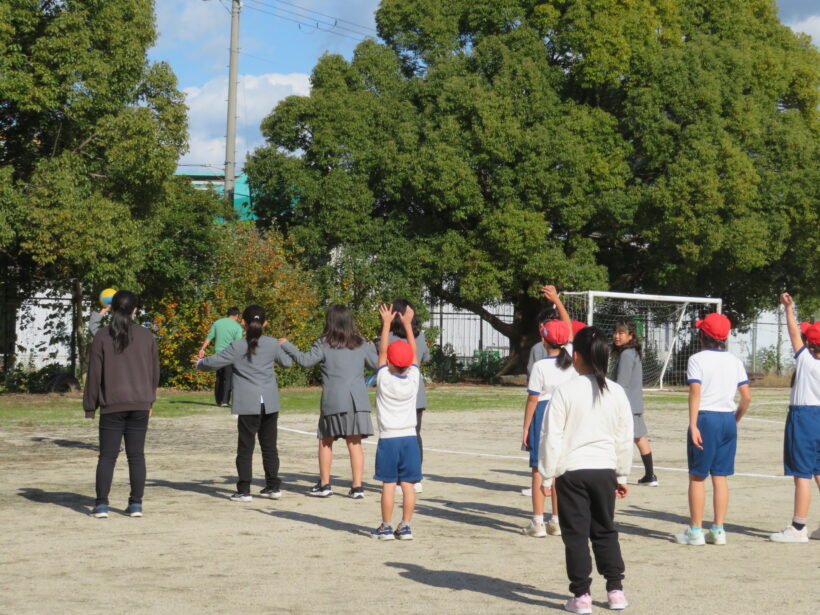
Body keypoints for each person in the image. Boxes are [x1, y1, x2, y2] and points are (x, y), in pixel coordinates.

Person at [538, 326, 633, 613]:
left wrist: (546, 473)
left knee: (576, 535)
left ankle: (581, 596)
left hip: (572, 473)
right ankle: (615, 590)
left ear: (576, 356)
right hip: (604, 470)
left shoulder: (565, 391)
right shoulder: (616, 392)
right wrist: (622, 474)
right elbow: (624, 436)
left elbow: (551, 435)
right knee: (605, 530)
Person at [279, 305, 378, 498]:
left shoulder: (323, 343)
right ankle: (357, 487)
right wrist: (373, 348)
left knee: (326, 441)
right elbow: (377, 365)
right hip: (357, 401)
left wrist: (287, 345)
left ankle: (325, 485)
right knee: (355, 443)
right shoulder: (361, 343)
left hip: (334, 400)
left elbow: (305, 361)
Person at [195, 305, 292, 502]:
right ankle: (273, 487)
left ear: (243, 323)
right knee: (269, 446)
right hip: (269, 402)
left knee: (246, 447)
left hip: (248, 402)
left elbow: (215, 361)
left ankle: (244, 490)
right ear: (265, 323)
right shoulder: (273, 344)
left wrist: (199, 364)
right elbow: (288, 363)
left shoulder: (238, 345)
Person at [675, 313, 751, 546]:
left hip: (705, 418)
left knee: (698, 477)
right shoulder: (735, 361)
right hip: (727, 419)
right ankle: (718, 530)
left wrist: (693, 423)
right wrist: (735, 419)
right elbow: (746, 397)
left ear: (702, 335)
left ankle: (696, 531)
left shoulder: (697, 359)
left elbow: (695, 392)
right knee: (721, 476)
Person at [83, 290, 159, 519]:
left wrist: (90, 405)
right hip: (139, 403)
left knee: (107, 456)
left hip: (112, 404)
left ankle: (101, 505)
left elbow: (94, 375)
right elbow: (155, 372)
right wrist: (150, 398)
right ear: (135, 310)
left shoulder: (103, 336)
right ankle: (136, 504)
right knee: (136, 456)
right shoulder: (146, 336)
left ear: (112, 309)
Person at [521, 285, 576, 538]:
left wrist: (525, 428)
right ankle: (556, 520)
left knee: (538, 469)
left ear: (543, 340)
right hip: (565, 413)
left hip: (543, 413)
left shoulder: (541, 365)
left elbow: (533, 400)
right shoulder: (572, 357)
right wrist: (557, 301)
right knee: (558, 469)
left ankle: (537, 522)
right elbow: (568, 326)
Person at [769, 294, 820, 543]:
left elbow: (793, 333)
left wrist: (789, 309)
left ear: (812, 346)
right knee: (819, 470)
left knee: (802, 473)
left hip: (805, 417)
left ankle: (798, 527)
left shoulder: (808, 361)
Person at [371, 303, 423, 540]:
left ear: (390, 362)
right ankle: (406, 525)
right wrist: (408, 325)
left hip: (389, 438)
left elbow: (382, 351)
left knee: (389, 485)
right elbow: (413, 354)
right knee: (409, 485)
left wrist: (386, 324)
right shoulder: (413, 379)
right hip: (410, 437)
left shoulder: (383, 378)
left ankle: (386, 526)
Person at [388, 298, 430, 493]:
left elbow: (376, 360)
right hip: (415, 392)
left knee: (395, 435)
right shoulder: (419, 336)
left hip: (394, 393)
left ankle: (398, 478)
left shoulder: (389, 337)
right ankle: (415, 477)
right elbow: (425, 357)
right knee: (415, 435)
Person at [611, 319, 658, 486]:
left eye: (621, 333)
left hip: (626, 405)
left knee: (619, 439)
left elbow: (621, 384)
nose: (617, 336)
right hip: (634, 403)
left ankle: (616, 474)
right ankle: (650, 475)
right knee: (639, 438)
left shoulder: (626, 355)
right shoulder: (632, 353)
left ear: (631, 336)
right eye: (615, 332)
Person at [197, 307, 243, 407]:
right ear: (237, 315)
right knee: (228, 378)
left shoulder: (217, 323)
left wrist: (202, 349)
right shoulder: (238, 327)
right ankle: (225, 401)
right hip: (229, 355)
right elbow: (238, 344)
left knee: (219, 377)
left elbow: (209, 337)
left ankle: (218, 401)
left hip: (218, 354)